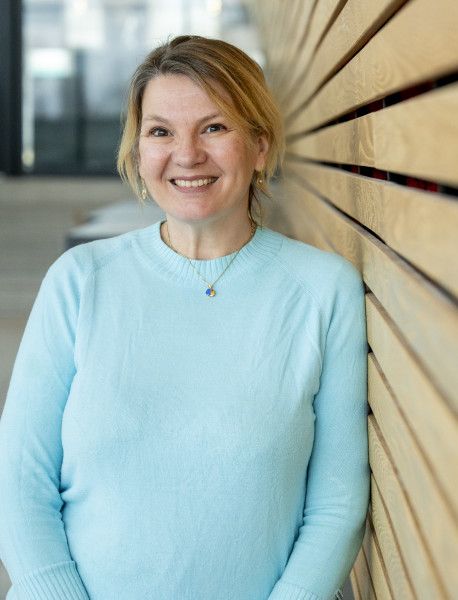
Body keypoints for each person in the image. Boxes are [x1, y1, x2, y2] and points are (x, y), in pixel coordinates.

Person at [0, 35, 368, 600]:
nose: (187, 154)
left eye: (214, 128)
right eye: (161, 131)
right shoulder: (80, 281)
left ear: (260, 145)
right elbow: (18, 482)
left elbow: (336, 506)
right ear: (139, 149)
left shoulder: (322, 292)